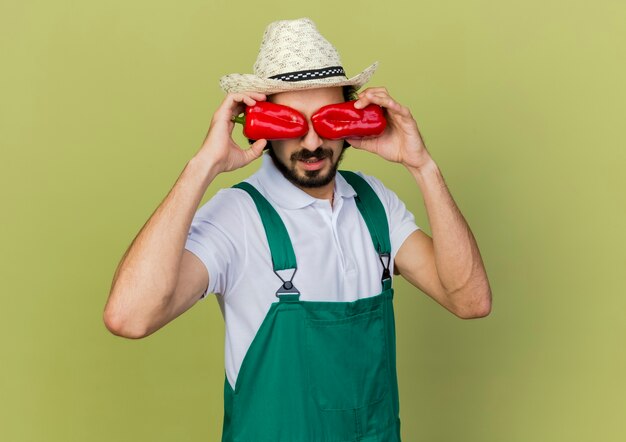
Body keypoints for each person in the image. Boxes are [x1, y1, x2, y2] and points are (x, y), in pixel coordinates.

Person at [104, 17, 492, 442]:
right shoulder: (237, 216)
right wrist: (203, 166)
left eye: (327, 120)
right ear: (259, 123)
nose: (310, 143)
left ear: (353, 118)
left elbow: (470, 300)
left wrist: (424, 166)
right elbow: (129, 317)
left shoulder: (375, 204)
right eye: (289, 123)